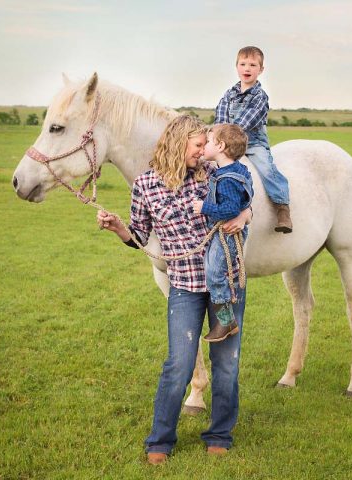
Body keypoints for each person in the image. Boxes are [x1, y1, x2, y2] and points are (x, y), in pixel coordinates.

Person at [97, 115, 251, 465]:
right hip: (184, 285)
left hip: (225, 284)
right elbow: (138, 237)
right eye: (198, 146)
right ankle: (160, 439)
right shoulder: (146, 185)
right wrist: (118, 228)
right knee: (178, 365)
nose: (203, 152)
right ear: (179, 143)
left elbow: (241, 198)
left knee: (226, 365)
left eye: (204, 145)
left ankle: (219, 433)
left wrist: (246, 215)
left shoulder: (212, 175)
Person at [215, 45, 292, 233]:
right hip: (227, 142)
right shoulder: (229, 94)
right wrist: (218, 137)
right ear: (237, 67)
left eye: (252, 64)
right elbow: (221, 118)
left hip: (253, 144)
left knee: (267, 170)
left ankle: (282, 207)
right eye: (243, 64)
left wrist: (226, 135)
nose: (247, 68)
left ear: (261, 69)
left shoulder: (260, 97)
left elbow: (244, 123)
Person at [192, 123, 253, 343]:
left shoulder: (226, 179)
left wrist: (204, 207)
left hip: (224, 233)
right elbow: (249, 190)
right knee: (214, 269)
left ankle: (226, 321)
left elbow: (230, 210)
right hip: (223, 232)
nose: (204, 146)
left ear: (220, 145)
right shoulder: (238, 170)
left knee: (214, 274)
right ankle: (226, 320)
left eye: (207, 141)